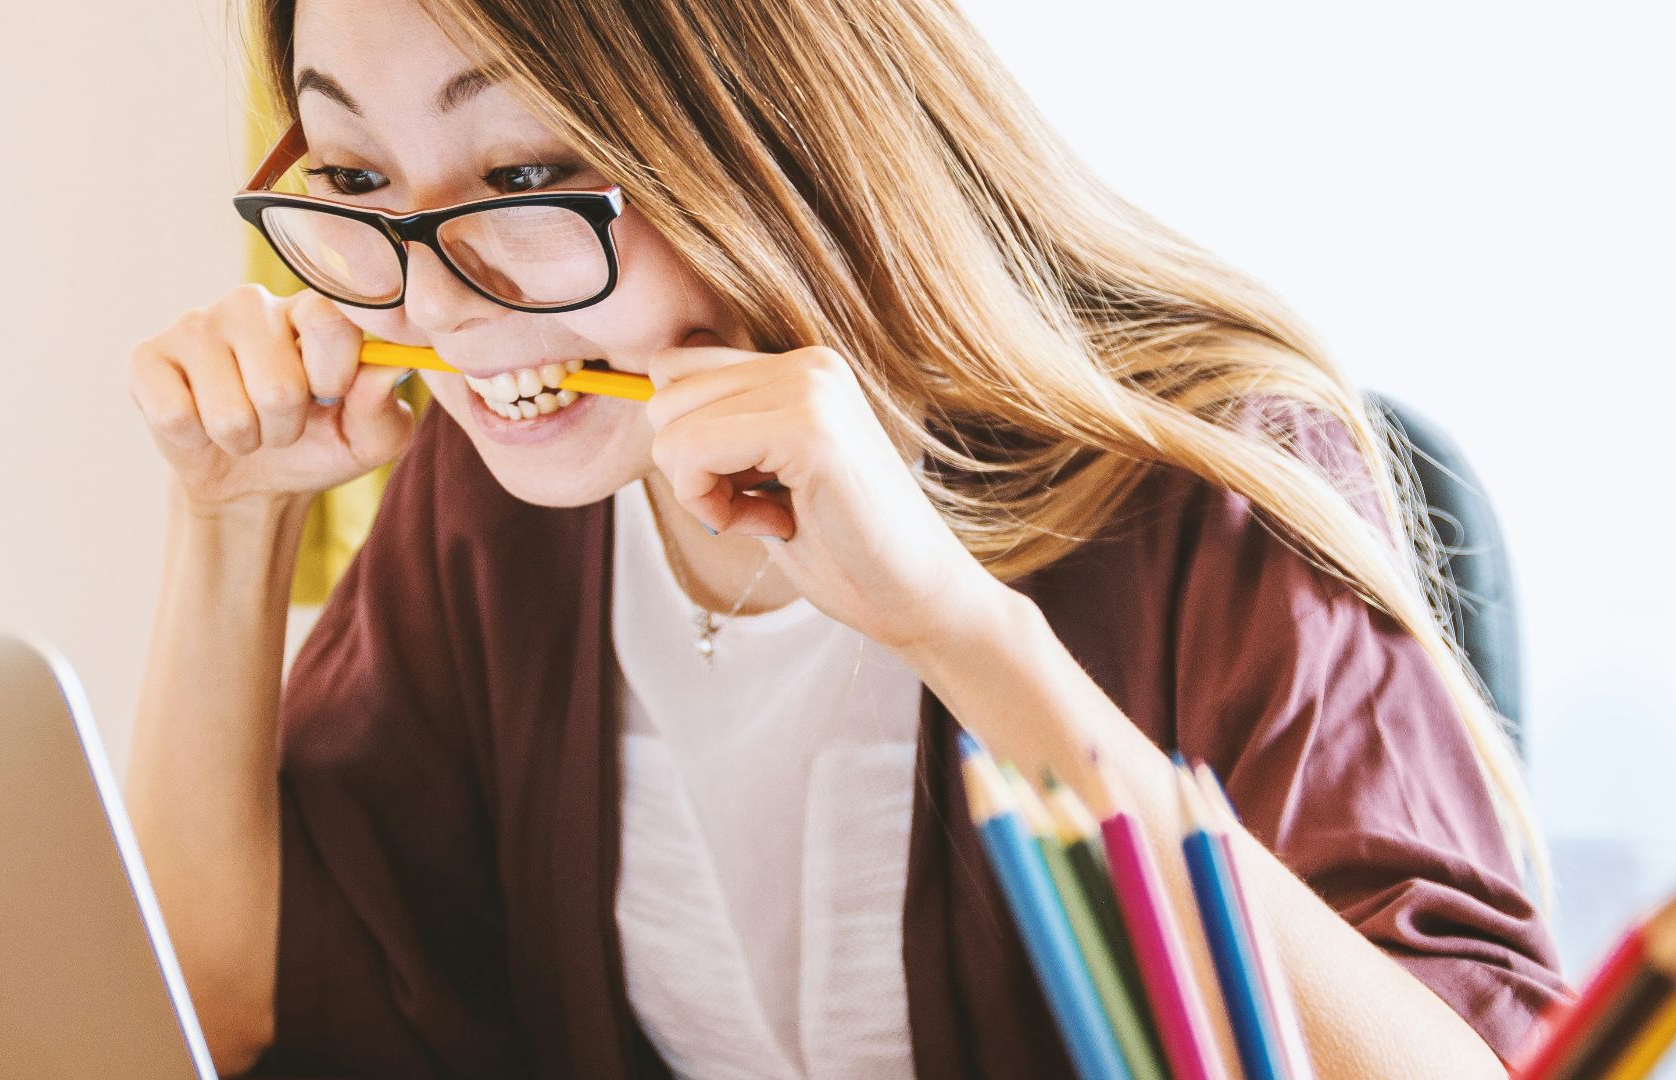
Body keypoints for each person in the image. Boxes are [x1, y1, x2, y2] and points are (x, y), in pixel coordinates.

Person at [123, 0, 1571, 1075]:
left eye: (521, 178)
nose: (435, 308)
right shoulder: (506, 500)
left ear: (764, 135)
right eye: (362, 182)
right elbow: (218, 1003)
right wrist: (226, 524)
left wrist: (960, 629)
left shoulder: (1208, 482)